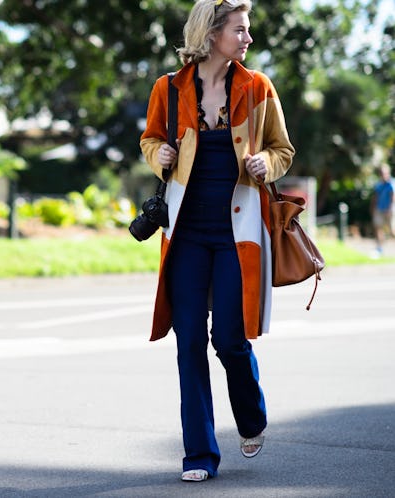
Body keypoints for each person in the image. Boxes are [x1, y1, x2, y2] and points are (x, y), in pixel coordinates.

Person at [139, 0, 295, 482]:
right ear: (212, 33)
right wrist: (158, 152)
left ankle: (250, 417)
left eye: (247, 31)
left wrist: (264, 164)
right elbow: (148, 141)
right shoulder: (169, 89)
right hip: (185, 234)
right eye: (240, 30)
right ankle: (200, 455)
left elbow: (282, 150)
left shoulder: (257, 87)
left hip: (237, 233)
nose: (247, 39)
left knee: (229, 338)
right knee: (189, 344)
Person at [370, 164, 394, 256]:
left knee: (392, 231)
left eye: (384, 173)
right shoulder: (379, 184)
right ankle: (379, 248)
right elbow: (375, 197)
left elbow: (393, 197)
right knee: (378, 228)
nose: (383, 175)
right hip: (379, 209)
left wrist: (390, 209)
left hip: (389, 210)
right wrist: (372, 208)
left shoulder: (392, 183)